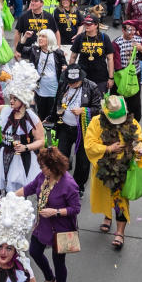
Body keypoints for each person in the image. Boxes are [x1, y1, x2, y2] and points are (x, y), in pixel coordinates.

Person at [17, 147, 80, 282]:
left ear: (53, 166)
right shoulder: (44, 177)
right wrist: (9, 197)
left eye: (43, 166)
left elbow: (75, 208)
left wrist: (56, 212)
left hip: (61, 228)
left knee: (59, 261)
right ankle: (50, 279)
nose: (41, 169)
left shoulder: (69, 184)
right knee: (35, 251)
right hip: (43, 224)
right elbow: (29, 188)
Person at [84, 95, 142, 251]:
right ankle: (107, 215)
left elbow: (139, 140)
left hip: (123, 168)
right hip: (103, 168)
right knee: (106, 195)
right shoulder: (96, 122)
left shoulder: (132, 123)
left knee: (120, 200)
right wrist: (108, 149)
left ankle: (120, 233)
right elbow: (89, 144)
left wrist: (139, 150)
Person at [0, 62, 45, 195]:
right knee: (4, 189)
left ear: (23, 100)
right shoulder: (5, 111)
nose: (11, 101)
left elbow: (41, 140)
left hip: (22, 158)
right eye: (10, 98)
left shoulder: (31, 118)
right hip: (4, 154)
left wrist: (26, 147)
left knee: (20, 193)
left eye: (15, 99)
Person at [51, 65, 99, 194]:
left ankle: (79, 186)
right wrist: (52, 117)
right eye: (70, 82)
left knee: (83, 161)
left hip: (83, 130)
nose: (72, 84)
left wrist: (83, 110)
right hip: (64, 127)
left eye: (75, 82)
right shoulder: (64, 85)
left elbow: (98, 109)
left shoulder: (92, 86)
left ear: (81, 79)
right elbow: (57, 101)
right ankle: (62, 183)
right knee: (60, 156)